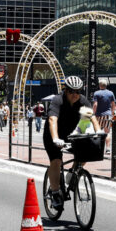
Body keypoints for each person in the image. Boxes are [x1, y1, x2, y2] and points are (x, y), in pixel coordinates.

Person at [44, 76, 100, 211]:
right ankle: (56, 192)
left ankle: (71, 176)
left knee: (86, 153)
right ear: (65, 90)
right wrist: (56, 138)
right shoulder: (57, 100)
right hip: (53, 134)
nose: (75, 94)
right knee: (56, 161)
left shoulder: (83, 101)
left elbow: (92, 117)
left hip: (71, 135)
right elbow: (52, 120)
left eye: (78, 91)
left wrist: (99, 132)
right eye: (71, 91)